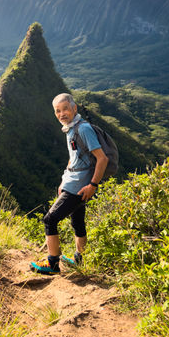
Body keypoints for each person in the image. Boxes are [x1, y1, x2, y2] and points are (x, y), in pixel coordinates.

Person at [30, 93, 108, 275]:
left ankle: (52, 263)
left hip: (80, 185)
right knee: (77, 220)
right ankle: (79, 260)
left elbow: (102, 158)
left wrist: (93, 185)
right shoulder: (70, 128)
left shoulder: (83, 129)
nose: (62, 113)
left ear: (74, 108)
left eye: (65, 109)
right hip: (72, 182)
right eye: (58, 111)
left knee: (50, 219)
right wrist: (64, 181)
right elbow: (73, 159)